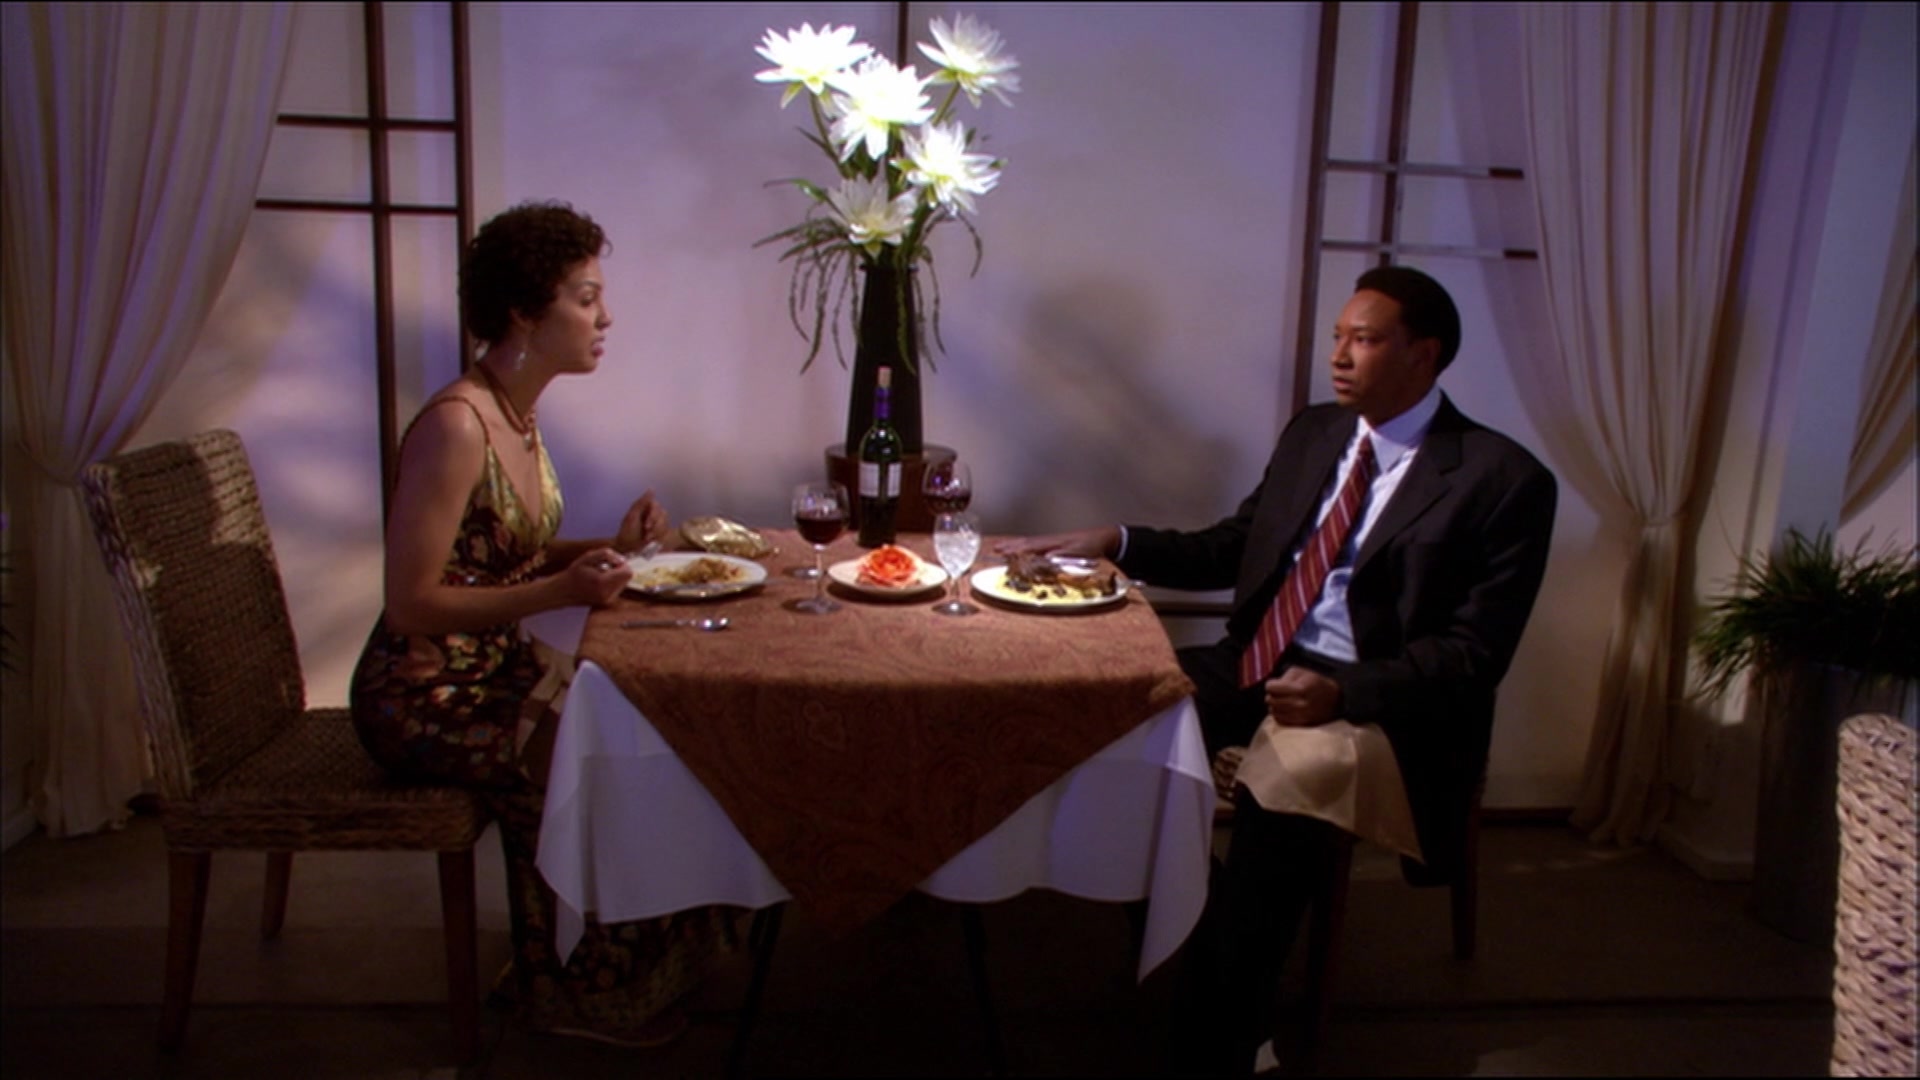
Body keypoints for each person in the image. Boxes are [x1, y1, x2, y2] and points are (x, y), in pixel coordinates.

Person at [999, 265, 1557, 1073]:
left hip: (1379, 704)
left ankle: (1223, 1042)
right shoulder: (1316, 434)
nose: (1340, 355)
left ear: (1423, 354)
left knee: (1281, 793)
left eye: (1364, 340)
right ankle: (1197, 934)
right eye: (1338, 336)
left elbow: (1473, 656)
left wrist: (1344, 690)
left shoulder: (1501, 480)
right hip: (1259, 659)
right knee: (1111, 722)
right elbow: (1236, 546)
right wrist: (1117, 542)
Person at [350, 200, 733, 1048]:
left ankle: (619, 963)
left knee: (650, 727)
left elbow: (499, 553)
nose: (605, 317)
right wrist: (561, 591)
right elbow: (410, 601)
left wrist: (611, 548)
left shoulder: (515, 413)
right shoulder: (456, 426)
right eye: (586, 298)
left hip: (494, 668)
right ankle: (571, 990)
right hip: (425, 694)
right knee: (585, 754)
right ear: (525, 312)